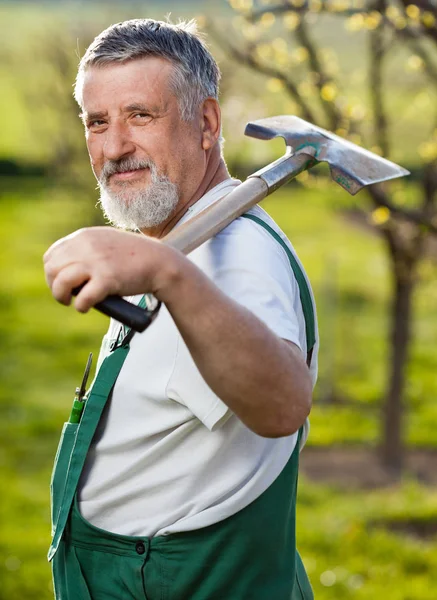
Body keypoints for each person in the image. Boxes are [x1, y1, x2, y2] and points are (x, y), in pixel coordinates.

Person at [44, 17, 318, 600]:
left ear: (207, 124)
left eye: (140, 116)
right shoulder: (182, 234)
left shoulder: (237, 255)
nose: (114, 147)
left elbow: (281, 402)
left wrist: (166, 272)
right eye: (98, 122)